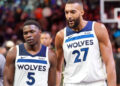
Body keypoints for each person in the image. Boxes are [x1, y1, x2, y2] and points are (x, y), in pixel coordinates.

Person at [55, 0, 116, 86]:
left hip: (96, 82)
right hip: (71, 83)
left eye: (73, 12)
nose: (69, 16)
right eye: (66, 12)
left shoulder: (98, 29)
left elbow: (109, 62)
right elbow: (57, 69)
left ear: (82, 12)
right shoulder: (60, 36)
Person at [4, 19, 56, 86]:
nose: (28, 35)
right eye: (25, 33)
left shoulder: (50, 55)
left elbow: (52, 84)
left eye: (32, 31)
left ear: (40, 32)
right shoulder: (14, 52)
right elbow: (7, 80)